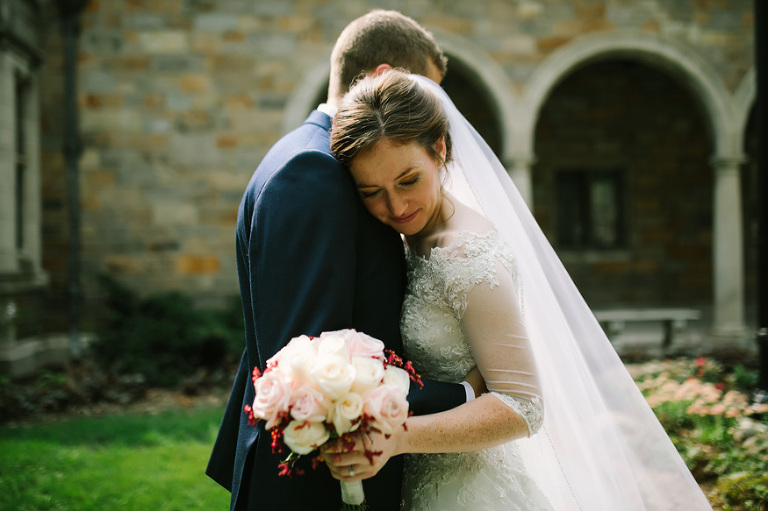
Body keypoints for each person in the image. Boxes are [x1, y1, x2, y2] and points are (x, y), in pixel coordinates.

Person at [326, 70, 713, 510]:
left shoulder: (466, 256)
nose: (395, 207)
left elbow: (522, 405)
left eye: (408, 181)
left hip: (468, 490)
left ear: (440, 150)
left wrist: (396, 438)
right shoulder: (406, 236)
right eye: (372, 192)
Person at [206, 11, 481, 511]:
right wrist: (462, 393)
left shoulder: (309, 156)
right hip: (320, 488)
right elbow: (311, 357)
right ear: (382, 78)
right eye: (422, 92)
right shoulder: (313, 172)